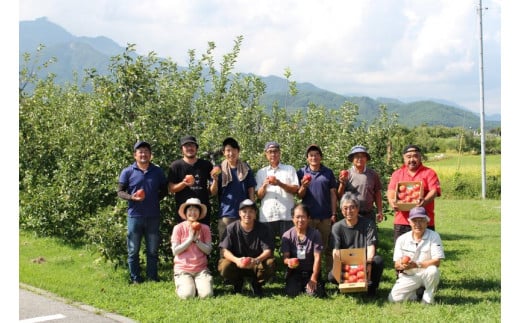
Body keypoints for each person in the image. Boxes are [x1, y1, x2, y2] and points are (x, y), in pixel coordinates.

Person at [117, 141, 168, 284]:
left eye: (146, 151)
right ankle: (135, 278)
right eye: (140, 152)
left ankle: (152, 277)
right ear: (135, 155)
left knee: (152, 250)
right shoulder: (128, 171)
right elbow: (120, 191)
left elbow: (164, 189)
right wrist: (131, 197)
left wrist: (155, 200)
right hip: (134, 216)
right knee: (133, 250)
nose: (143, 154)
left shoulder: (157, 171)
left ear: (150, 155)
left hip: (153, 216)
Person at [327, 193, 384, 296]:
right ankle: (346, 286)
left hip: (364, 262)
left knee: (378, 261)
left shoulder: (368, 224)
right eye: (345, 208)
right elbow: (335, 250)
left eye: (352, 207)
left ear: (357, 208)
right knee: (331, 276)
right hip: (346, 264)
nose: (349, 211)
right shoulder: (337, 227)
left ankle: (371, 288)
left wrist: (369, 262)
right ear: (341, 210)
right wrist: (338, 264)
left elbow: (371, 246)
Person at [217, 199, 276, 297]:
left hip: (256, 263)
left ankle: (257, 283)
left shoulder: (263, 228)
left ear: (255, 214)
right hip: (237, 264)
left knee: (270, 263)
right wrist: (236, 260)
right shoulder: (231, 228)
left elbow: (268, 250)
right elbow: (224, 250)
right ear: (239, 213)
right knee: (224, 266)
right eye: (244, 211)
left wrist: (256, 260)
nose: (247, 214)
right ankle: (237, 282)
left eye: (251, 211)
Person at [388, 206, 445, 305]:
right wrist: (401, 265)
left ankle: (428, 298)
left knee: (433, 270)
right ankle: (416, 293)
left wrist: (417, 265)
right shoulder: (402, 239)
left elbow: (437, 261)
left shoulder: (434, 236)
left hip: (426, 273)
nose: (418, 224)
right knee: (393, 299)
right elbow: (396, 264)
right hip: (409, 275)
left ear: (427, 222)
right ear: (409, 222)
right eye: (414, 221)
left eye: (421, 220)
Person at [296, 144, 338, 274]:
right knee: (307, 246)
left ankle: (330, 274)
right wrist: (303, 186)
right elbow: (299, 195)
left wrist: (334, 213)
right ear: (307, 158)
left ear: (321, 157)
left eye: (316, 155)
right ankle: (308, 272)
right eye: (311, 155)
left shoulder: (328, 173)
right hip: (308, 218)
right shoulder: (302, 172)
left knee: (326, 247)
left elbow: (333, 194)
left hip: (325, 216)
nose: (314, 157)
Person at [387, 144, 442, 242]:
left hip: (424, 221)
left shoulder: (429, 173)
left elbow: (434, 191)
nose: (412, 159)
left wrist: (424, 201)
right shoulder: (397, 174)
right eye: (408, 157)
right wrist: (392, 201)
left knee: (425, 252)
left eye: (415, 156)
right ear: (403, 158)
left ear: (420, 157)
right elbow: (391, 191)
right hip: (402, 221)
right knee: (402, 253)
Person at [211, 137, 256, 242]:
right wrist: (214, 180)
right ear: (223, 152)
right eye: (228, 150)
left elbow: (251, 189)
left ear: (238, 151)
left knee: (245, 245)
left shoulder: (246, 168)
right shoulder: (218, 169)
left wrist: (253, 209)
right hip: (226, 214)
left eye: (233, 150)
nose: (231, 153)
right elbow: (213, 192)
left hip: (245, 214)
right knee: (225, 246)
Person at [168, 135, 218, 227]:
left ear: (196, 148)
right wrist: (184, 183)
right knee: (184, 239)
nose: (190, 148)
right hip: (183, 212)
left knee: (203, 239)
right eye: (186, 146)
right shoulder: (176, 166)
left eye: (192, 145)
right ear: (182, 149)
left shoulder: (206, 165)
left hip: (202, 211)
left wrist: (215, 180)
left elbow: (213, 192)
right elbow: (171, 189)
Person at [255, 141, 299, 247]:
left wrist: (279, 183)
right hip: (267, 216)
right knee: (267, 249)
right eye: (270, 152)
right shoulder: (261, 172)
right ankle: (270, 264)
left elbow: (295, 189)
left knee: (289, 248)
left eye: (275, 151)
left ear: (279, 153)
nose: (273, 154)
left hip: (286, 215)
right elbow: (259, 196)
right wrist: (264, 185)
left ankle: (289, 263)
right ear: (266, 154)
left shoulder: (289, 169)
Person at [170, 198, 213, 299]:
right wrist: (189, 239)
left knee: (207, 295)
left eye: (196, 210)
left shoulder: (205, 228)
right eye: (190, 209)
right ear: (185, 212)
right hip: (183, 269)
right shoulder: (178, 228)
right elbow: (175, 251)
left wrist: (197, 241)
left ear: (199, 212)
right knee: (187, 295)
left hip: (201, 269)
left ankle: (197, 284)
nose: (193, 212)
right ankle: (183, 283)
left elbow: (208, 250)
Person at [280, 203, 325, 298]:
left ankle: (313, 284)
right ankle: (298, 285)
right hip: (295, 272)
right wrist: (289, 261)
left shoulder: (315, 234)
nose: (300, 220)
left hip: (310, 271)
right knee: (291, 293)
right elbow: (285, 257)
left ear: (308, 218)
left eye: (303, 217)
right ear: (292, 218)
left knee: (315, 294)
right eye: (297, 217)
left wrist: (313, 277)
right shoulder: (287, 235)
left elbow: (317, 258)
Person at [337, 145, 384, 225]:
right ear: (352, 159)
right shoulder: (347, 174)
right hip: (351, 214)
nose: (360, 159)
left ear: (366, 159)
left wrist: (379, 211)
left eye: (362, 156)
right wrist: (342, 183)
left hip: (368, 214)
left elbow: (377, 193)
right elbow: (339, 196)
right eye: (357, 157)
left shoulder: (372, 174)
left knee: (369, 237)